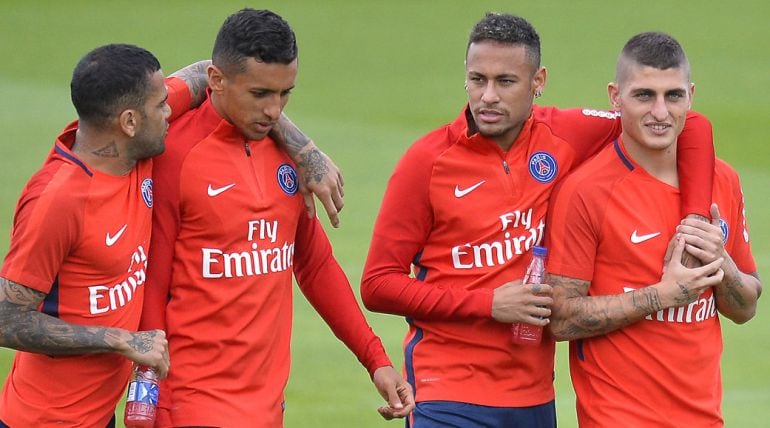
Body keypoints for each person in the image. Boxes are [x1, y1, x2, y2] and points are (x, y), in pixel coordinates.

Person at [360, 13, 715, 427]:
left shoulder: (568, 134)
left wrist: (694, 223)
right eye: (478, 80)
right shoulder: (427, 162)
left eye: (505, 82)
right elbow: (377, 284)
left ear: (538, 81)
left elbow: (691, 124)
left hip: (533, 396)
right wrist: (490, 304)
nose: (488, 96)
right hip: (447, 390)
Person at [0, 41, 345, 427]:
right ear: (129, 122)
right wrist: (121, 340)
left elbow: (209, 74)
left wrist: (305, 149)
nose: (172, 112)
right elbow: (5, 319)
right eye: (162, 106)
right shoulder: (57, 201)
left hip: (97, 416)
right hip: (42, 420)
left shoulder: (131, 148)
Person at [140, 8, 414, 427]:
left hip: (268, 405)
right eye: (260, 94)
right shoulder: (175, 153)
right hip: (191, 402)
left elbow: (315, 264)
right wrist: (150, 397)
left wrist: (375, 360)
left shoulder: (288, 156)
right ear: (216, 80)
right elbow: (153, 282)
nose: (273, 111)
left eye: (285, 95)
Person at [547, 32, 761, 427]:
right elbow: (561, 319)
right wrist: (660, 296)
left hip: (705, 419)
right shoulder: (586, 192)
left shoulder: (723, 180)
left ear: (691, 96)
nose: (660, 112)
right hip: (618, 418)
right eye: (644, 95)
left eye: (673, 96)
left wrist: (721, 263)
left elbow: (746, 306)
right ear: (615, 97)